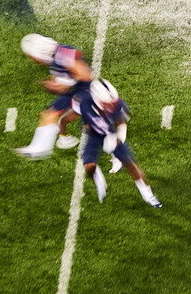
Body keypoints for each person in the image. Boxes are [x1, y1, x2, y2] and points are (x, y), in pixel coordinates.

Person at [76, 78, 162, 208]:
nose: (112, 106)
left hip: (111, 134)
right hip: (94, 135)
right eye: (108, 104)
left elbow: (121, 123)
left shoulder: (115, 104)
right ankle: (98, 179)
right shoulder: (85, 104)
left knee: (131, 164)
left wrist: (118, 139)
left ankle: (148, 195)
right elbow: (87, 125)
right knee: (89, 167)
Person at [15, 33, 90, 159]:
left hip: (85, 91)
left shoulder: (62, 55)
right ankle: (42, 147)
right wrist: (54, 84)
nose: (33, 60)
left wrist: (64, 84)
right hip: (76, 90)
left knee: (54, 115)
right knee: (49, 114)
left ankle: (42, 148)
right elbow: (60, 77)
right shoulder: (56, 56)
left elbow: (85, 75)